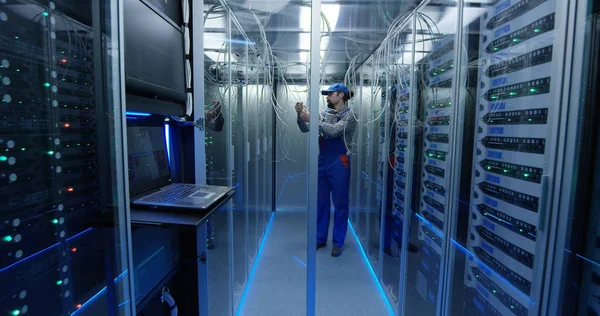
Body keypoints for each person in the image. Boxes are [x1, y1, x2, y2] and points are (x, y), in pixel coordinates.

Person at [295, 83, 357, 257]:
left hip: (339, 161)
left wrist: (312, 119)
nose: (328, 97)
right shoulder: (324, 113)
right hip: (322, 161)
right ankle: (320, 238)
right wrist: (300, 115)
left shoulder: (350, 115)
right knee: (320, 202)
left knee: (340, 203)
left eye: (330, 94)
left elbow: (335, 131)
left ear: (341, 95)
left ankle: (338, 242)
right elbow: (304, 128)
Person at [381, 85, 420, 257]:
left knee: (404, 205)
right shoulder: (389, 115)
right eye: (404, 97)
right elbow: (415, 127)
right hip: (392, 161)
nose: (407, 100)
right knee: (390, 204)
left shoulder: (405, 116)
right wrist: (412, 123)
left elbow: (418, 125)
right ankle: (386, 242)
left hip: (405, 161)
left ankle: (402, 239)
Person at [204, 101, 224, 250]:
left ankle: (207, 238)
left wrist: (217, 113)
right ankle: (205, 238)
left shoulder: (203, 119)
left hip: (204, 168)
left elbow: (217, 127)